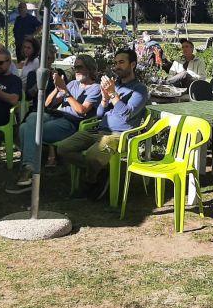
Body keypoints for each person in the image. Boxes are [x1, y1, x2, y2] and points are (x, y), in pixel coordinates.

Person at [55, 48, 148, 198]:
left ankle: (90, 180)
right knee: (63, 148)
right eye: (116, 63)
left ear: (133, 65)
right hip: (99, 131)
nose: (117, 66)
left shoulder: (139, 90)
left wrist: (112, 94)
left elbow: (126, 114)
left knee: (93, 155)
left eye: (122, 62)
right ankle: (100, 171)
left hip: (120, 135)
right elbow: (99, 114)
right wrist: (104, 100)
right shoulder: (115, 86)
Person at [9, 55, 101, 193]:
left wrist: (65, 92)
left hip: (71, 123)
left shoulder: (95, 88)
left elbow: (81, 111)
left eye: (79, 67)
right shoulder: (72, 84)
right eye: (74, 67)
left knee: (25, 128)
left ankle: (28, 170)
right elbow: (48, 104)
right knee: (32, 118)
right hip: (55, 116)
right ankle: (29, 169)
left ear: (90, 68)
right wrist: (57, 89)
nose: (76, 70)